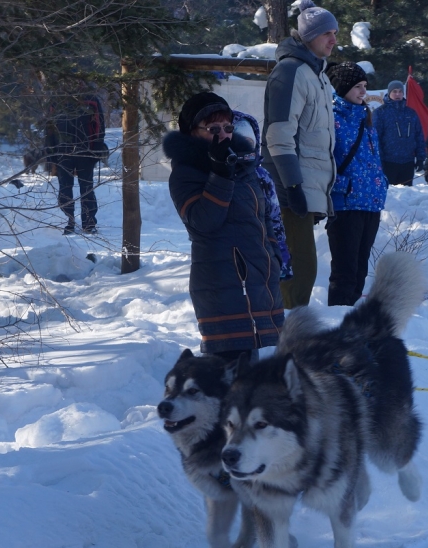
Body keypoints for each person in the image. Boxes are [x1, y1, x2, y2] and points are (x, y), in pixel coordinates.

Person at [163, 92, 290, 360]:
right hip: (222, 285)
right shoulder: (186, 173)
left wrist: (273, 256)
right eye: (213, 129)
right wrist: (220, 174)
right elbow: (203, 223)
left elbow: (263, 216)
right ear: (192, 132)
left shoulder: (243, 164)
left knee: (251, 371)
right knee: (229, 370)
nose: (223, 135)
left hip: (258, 281)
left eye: (228, 128)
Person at [262, 0, 337, 308]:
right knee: (297, 274)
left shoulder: (317, 74)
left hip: (305, 188)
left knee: (302, 272)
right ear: (308, 37)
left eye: (335, 33)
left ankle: (287, 328)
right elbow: (279, 134)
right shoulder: (291, 71)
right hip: (288, 190)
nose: (333, 40)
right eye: (326, 34)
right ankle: (284, 332)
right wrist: (293, 187)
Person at [324, 62, 389, 306]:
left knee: (360, 272)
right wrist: (343, 185)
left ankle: (351, 321)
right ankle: (338, 322)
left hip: (370, 203)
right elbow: (321, 161)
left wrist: (381, 183)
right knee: (345, 273)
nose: (363, 92)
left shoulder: (365, 118)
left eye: (364, 86)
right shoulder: (330, 118)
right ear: (342, 88)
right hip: (345, 204)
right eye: (357, 87)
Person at [45, 93, 107, 235]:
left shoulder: (90, 99)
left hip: (85, 151)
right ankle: (68, 220)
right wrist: (50, 149)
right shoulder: (56, 99)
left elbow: (100, 124)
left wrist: (97, 146)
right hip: (62, 151)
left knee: (87, 187)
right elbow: (49, 127)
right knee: (65, 187)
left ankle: (89, 223)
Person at [374, 80, 426, 186]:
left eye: (400, 91)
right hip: (388, 162)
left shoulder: (411, 113)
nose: (397, 94)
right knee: (391, 193)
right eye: (394, 91)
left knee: (406, 193)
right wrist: (379, 160)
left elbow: (419, 136)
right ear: (389, 93)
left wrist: (420, 157)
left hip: (408, 162)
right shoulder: (380, 112)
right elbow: (375, 138)